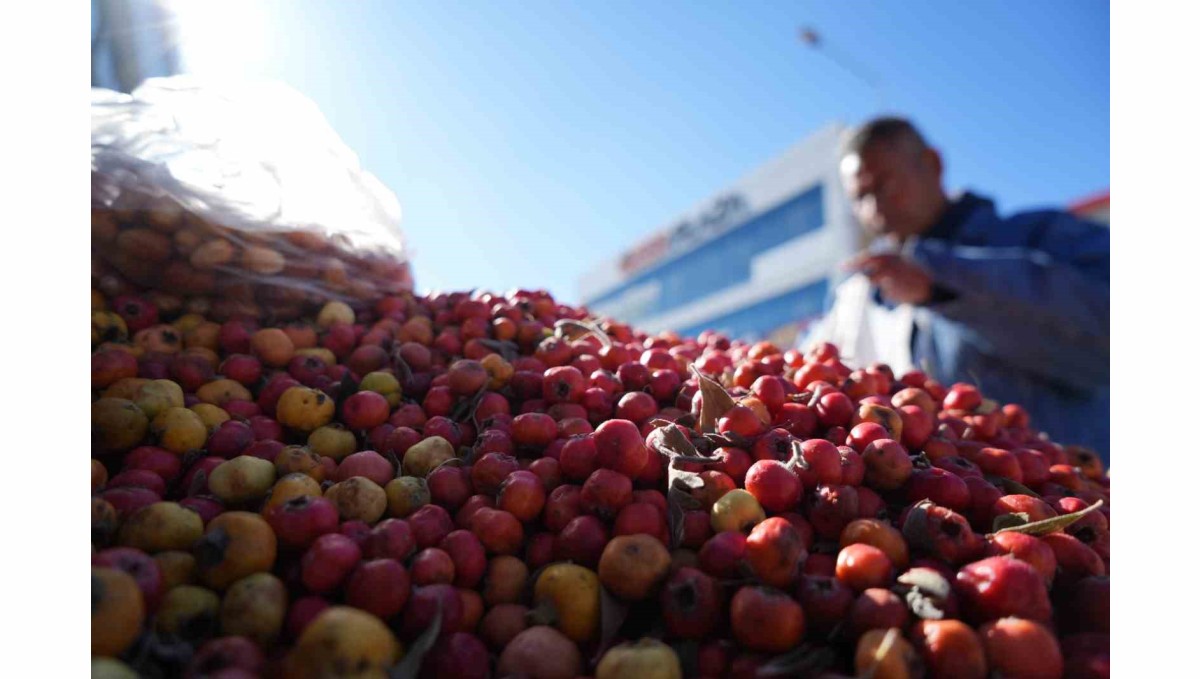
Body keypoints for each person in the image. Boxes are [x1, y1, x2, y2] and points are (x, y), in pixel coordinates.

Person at [803, 117, 1110, 462]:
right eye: (860, 198)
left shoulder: (1040, 234)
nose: (875, 210)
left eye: (885, 185)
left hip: (1077, 495)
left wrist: (941, 284)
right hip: (958, 500)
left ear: (932, 165)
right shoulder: (870, 292)